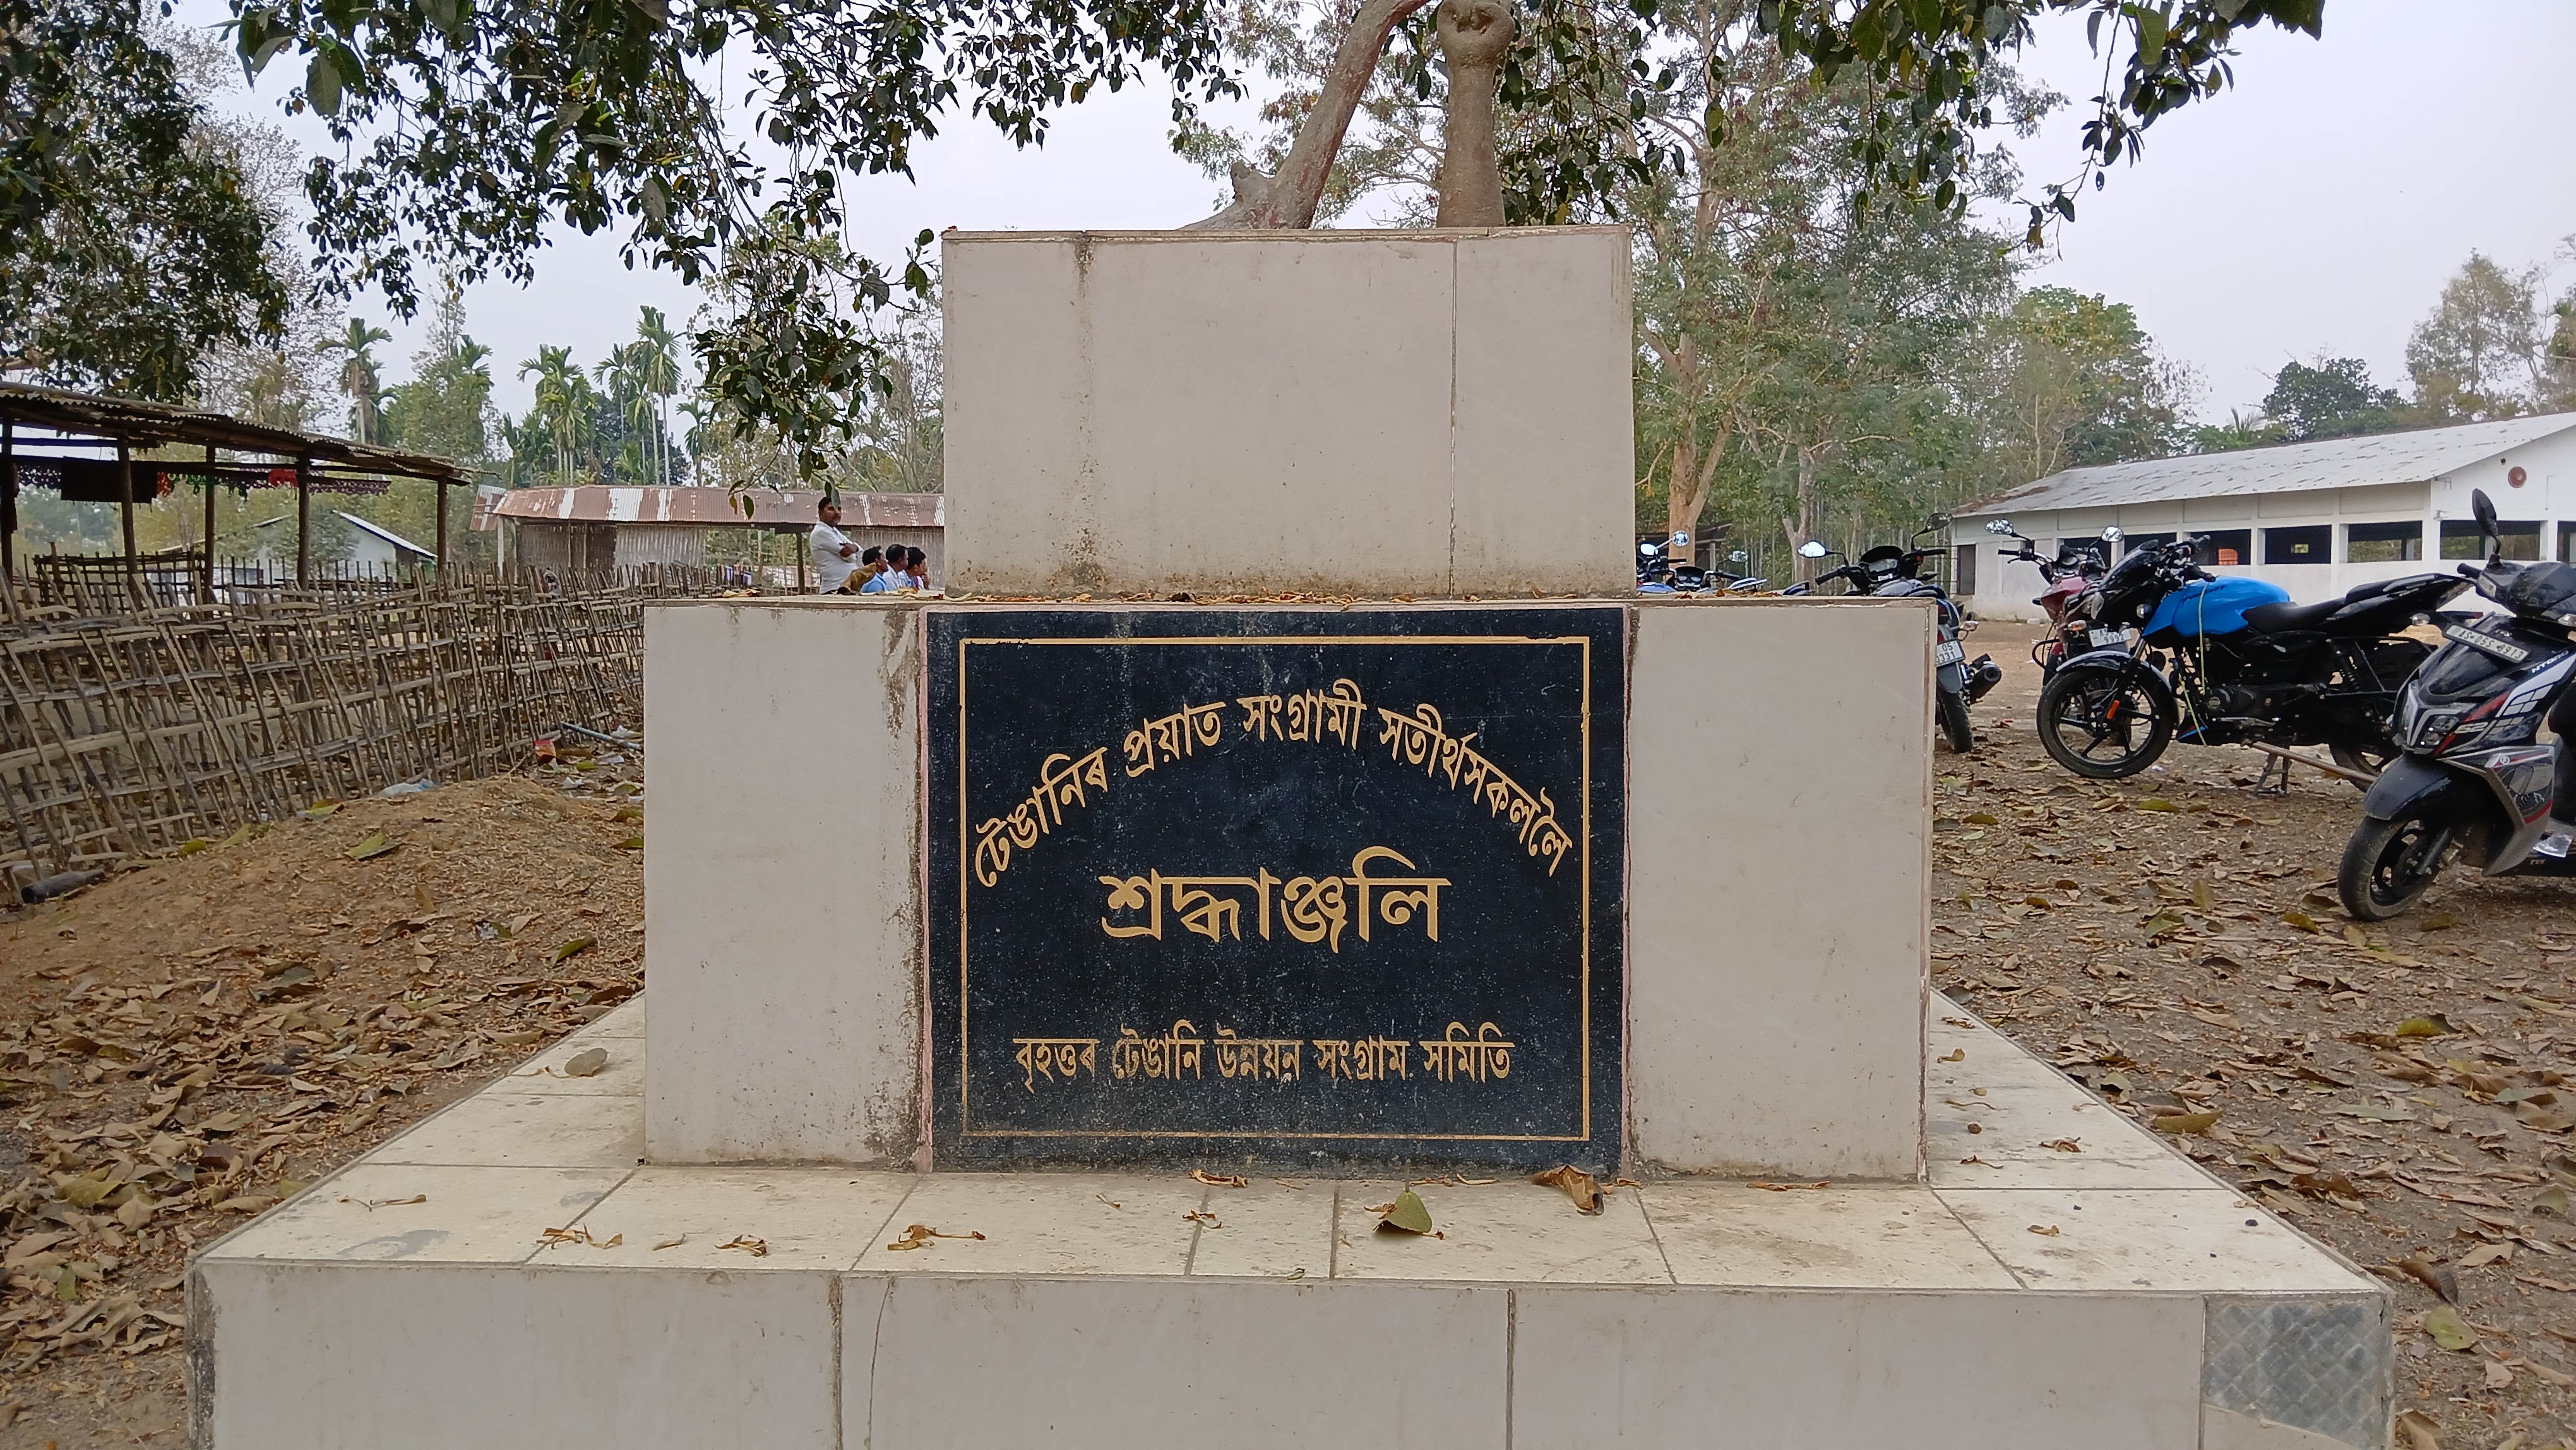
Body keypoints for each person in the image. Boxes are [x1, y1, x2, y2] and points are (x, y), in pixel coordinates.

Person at [809, 499, 862, 592]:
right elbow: (851, 558)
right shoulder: (821, 532)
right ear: (821, 512)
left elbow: (860, 552)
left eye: (839, 509)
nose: (837, 512)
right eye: (831, 509)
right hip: (834, 589)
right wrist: (855, 550)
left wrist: (856, 548)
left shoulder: (834, 531)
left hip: (844, 588)